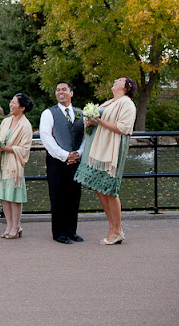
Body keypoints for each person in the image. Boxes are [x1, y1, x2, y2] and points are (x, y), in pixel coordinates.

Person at [74, 77, 137, 245]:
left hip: (112, 149)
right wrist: (90, 123)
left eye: (120, 80)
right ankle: (113, 228)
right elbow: (100, 122)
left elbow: (123, 127)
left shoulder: (127, 104)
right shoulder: (110, 102)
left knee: (110, 190)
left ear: (127, 87)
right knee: (100, 188)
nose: (115, 80)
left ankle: (117, 230)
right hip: (98, 148)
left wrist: (98, 121)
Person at [39, 81, 86, 244]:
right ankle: (59, 233)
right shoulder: (48, 113)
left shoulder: (81, 113)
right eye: (58, 90)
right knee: (58, 196)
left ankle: (72, 231)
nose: (60, 92)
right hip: (56, 162)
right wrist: (64, 155)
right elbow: (46, 137)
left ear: (71, 93)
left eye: (64, 89)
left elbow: (86, 136)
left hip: (76, 161)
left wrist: (79, 153)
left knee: (74, 196)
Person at [0, 93, 34, 239]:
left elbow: (25, 149)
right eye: (11, 102)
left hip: (13, 164)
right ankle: (9, 225)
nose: (11, 105)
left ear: (22, 107)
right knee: (4, 195)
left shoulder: (26, 125)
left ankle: (16, 226)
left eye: (14, 103)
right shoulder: (6, 121)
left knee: (14, 196)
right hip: (1, 162)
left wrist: (5, 148)